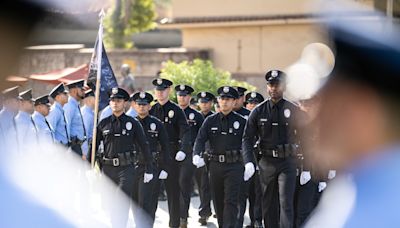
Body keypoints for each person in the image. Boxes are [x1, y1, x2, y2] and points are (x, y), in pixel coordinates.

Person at [304, 17, 400, 228]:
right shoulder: (356, 187)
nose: (312, 121)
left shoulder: (371, 214)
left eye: (327, 109)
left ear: (360, 112)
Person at [243, 70, 303, 228]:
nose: (273, 88)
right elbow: (247, 138)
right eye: (271, 85)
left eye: (277, 85)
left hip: (287, 162)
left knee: (285, 202)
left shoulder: (293, 110)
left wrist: (306, 166)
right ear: (267, 87)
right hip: (267, 162)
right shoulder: (258, 111)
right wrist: (249, 161)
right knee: (268, 203)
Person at [193, 86, 256, 228]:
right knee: (218, 202)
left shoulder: (241, 122)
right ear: (218, 101)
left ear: (234, 102)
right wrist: (196, 154)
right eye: (222, 99)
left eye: (228, 99)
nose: (225, 102)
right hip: (215, 166)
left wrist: (249, 163)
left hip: (234, 166)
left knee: (231, 201)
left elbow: (247, 144)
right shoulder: (210, 121)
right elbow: (200, 139)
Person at [91, 87, 154, 228]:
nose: (115, 103)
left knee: (120, 201)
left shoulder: (133, 123)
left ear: (125, 103)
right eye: (112, 100)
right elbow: (94, 146)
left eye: (118, 100)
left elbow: (144, 146)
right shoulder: (103, 123)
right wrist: (89, 167)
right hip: (107, 169)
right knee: (111, 203)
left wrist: (149, 168)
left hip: (126, 169)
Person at [149, 78, 191, 228]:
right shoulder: (151, 110)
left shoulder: (176, 110)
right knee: (151, 194)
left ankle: (174, 224)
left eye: (163, 90)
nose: (160, 93)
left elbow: (185, 132)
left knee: (173, 194)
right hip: (153, 157)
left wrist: (183, 150)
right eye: (158, 90)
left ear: (169, 91)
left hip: (171, 157)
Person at [130, 91, 171, 226]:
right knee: (134, 202)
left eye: (145, 105)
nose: (142, 107)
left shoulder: (157, 124)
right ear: (135, 106)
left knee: (147, 202)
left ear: (149, 106)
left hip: (152, 167)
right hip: (134, 166)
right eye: (139, 104)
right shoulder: (130, 123)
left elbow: (166, 147)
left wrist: (165, 168)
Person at [175, 84, 204, 228]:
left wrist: (200, 154)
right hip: (172, 155)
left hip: (189, 156)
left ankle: (183, 218)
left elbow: (203, 137)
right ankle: (175, 217)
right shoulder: (172, 112)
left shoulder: (196, 116)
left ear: (189, 97)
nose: (182, 98)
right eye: (180, 95)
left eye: (185, 95)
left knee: (183, 185)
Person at [241, 91, 265, 228]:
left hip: (261, 161)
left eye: (255, 103)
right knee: (247, 193)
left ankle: (257, 220)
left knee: (258, 193)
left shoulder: (263, 119)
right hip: (246, 161)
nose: (251, 106)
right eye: (249, 103)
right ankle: (250, 220)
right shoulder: (242, 119)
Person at [195, 91, 215, 225]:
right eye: (202, 102)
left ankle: (218, 210)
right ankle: (204, 212)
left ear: (211, 103)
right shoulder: (195, 117)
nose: (204, 104)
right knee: (202, 185)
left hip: (214, 155)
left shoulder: (215, 117)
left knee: (215, 185)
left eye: (206, 102)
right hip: (201, 156)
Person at [64, 79, 86, 158]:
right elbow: (67, 127)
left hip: (77, 147)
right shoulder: (69, 106)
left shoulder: (75, 105)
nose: (84, 92)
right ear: (73, 91)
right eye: (81, 89)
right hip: (72, 147)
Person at [81, 89, 95, 160]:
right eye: (95, 97)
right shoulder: (86, 114)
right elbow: (84, 134)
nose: (98, 100)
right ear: (89, 100)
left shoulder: (90, 112)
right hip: (87, 150)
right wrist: (85, 152)